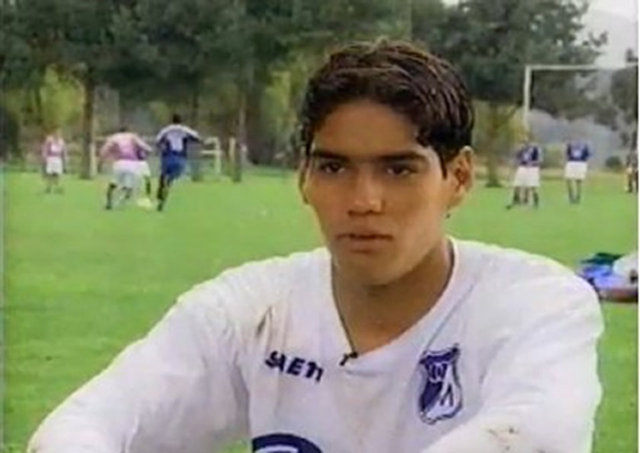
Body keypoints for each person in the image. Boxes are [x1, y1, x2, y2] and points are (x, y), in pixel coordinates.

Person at [28, 40, 602, 453]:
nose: (364, 200)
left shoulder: (537, 305)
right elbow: (86, 423)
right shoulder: (250, 311)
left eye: (399, 169)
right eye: (334, 167)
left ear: (458, 178)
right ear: (304, 178)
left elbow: (535, 434)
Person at [155, 114, 201, 211]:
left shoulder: (166, 129)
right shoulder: (185, 129)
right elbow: (197, 138)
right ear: (181, 121)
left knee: (163, 175)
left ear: (171, 120)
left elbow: (158, 141)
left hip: (168, 156)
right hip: (180, 157)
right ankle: (165, 191)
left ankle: (160, 192)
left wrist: (159, 148)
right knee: (171, 179)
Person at [98, 126, 152, 210]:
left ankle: (109, 203)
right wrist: (149, 151)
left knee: (113, 183)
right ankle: (124, 200)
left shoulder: (114, 137)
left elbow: (104, 150)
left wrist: (101, 161)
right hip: (132, 163)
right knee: (129, 185)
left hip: (119, 163)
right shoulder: (132, 136)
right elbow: (144, 146)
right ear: (127, 131)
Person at [506, 140, 543, 209]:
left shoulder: (535, 149)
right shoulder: (521, 149)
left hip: (532, 168)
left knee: (532, 185)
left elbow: (539, 160)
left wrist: (532, 163)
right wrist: (515, 163)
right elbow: (517, 159)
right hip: (522, 167)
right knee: (517, 184)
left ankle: (535, 201)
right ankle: (516, 199)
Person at [564, 139, 591, 204]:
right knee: (569, 180)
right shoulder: (570, 145)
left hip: (579, 163)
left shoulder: (584, 145)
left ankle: (577, 197)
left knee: (577, 181)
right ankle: (572, 196)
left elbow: (587, 155)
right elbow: (567, 153)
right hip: (573, 162)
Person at [41, 129, 67, 194]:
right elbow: (45, 148)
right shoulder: (49, 140)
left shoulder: (61, 141)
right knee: (49, 173)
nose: (57, 134)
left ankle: (57, 188)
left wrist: (64, 158)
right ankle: (48, 187)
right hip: (51, 158)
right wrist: (45, 156)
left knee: (57, 174)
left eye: (59, 133)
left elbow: (64, 151)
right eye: (56, 133)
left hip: (58, 159)